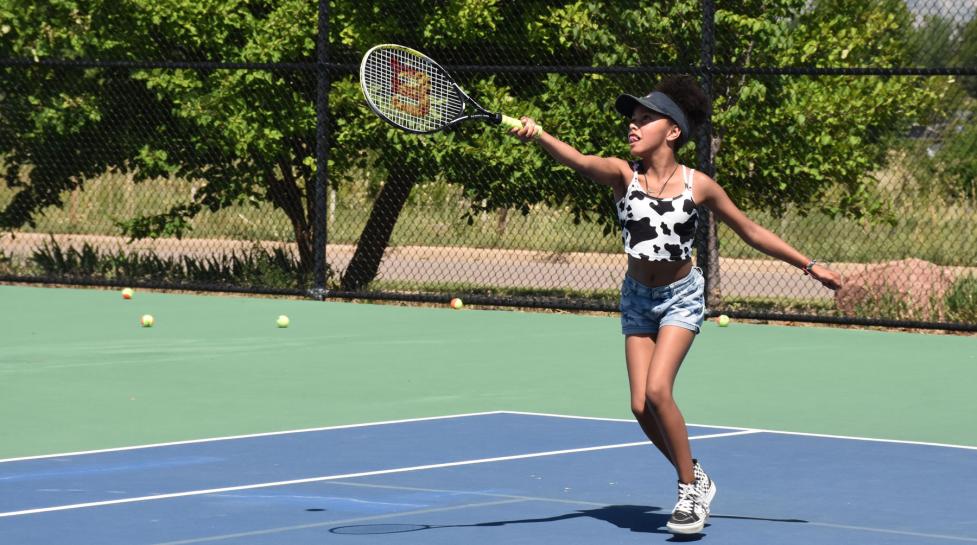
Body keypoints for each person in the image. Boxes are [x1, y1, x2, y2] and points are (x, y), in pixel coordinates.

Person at [509, 75, 843, 534]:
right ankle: (698, 475)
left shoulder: (697, 185)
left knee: (659, 391)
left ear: (672, 131)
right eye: (632, 117)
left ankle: (689, 491)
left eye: (645, 118)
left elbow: (751, 231)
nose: (633, 124)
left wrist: (809, 265)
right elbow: (580, 161)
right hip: (637, 299)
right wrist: (540, 134)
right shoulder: (622, 175)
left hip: (681, 298)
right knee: (639, 406)